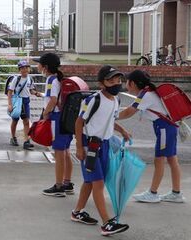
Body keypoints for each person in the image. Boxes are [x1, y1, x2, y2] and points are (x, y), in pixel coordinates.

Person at [71, 65, 131, 236]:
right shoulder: (92, 100)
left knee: (90, 182)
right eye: (111, 80)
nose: (116, 83)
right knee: (98, 183)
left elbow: (110, 120)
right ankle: (107, 223)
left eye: (118, 80)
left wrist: (122, 130)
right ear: (101, 83)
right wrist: (79, 147)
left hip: (103, 146)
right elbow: (78, 123)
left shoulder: (116, 100)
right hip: (89, 146)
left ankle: (77, 212)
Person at [118, 70, 184, 203]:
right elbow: (130, 109)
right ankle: (176, 193)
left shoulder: (145, 95)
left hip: (164, 128)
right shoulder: (147, 92)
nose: (125, 83)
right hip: (168, 127)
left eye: (127, 81)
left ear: (132, 83)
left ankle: (153, 193)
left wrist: (110, 117)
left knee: (159, 159)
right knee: (171, 159)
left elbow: (129, 112)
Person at [34, 53, 74, 197]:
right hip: (66, 118)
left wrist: (46, 114)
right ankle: (67, 183)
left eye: (39, 63)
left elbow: (53, 99)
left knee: (59, 153)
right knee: (66, 151)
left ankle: (58, 186)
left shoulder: (51, 79)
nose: (37, 65)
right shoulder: (59, 78)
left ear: (45, 67)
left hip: (56, 118)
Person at [7, 60, 41, 150]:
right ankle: (13, 138)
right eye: (22, 68)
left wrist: (36, 93)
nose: (25, 69)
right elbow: (10, 92)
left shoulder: (30, 79)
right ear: (19, 70)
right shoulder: (16, 79)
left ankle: (26, 141)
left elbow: (31, 90)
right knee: (15, 120)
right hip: (18, 101)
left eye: (26, 67)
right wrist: (10, 104)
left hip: (26, 101)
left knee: (26, 121)